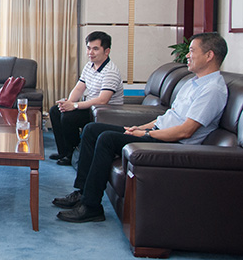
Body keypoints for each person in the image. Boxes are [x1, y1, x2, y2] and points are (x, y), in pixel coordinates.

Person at [53, 32, 228, 223]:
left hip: (171, 142)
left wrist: (145, 133)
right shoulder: (192, 82)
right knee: (91, 130)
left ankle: (92, 206)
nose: (187, 55)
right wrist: (138, 127)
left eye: (192, 51)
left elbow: (185, 131)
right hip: (157, 132)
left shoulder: (212, 90)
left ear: (209, 55)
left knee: (106, 138)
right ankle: (82, 192)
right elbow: (169, 116)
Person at [49, 31, 124, 166]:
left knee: (68, 117)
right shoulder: (89, 66)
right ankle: (64, 152)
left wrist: (75, 106)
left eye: (95, 49)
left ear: (107, 51)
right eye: (88, 48)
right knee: (56, 111)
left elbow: (103, 100)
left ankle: (72, 153)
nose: (90, 52)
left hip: (105, 112)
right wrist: (69, 103)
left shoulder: (110, 72)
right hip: (90, 108)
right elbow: (79, 88)